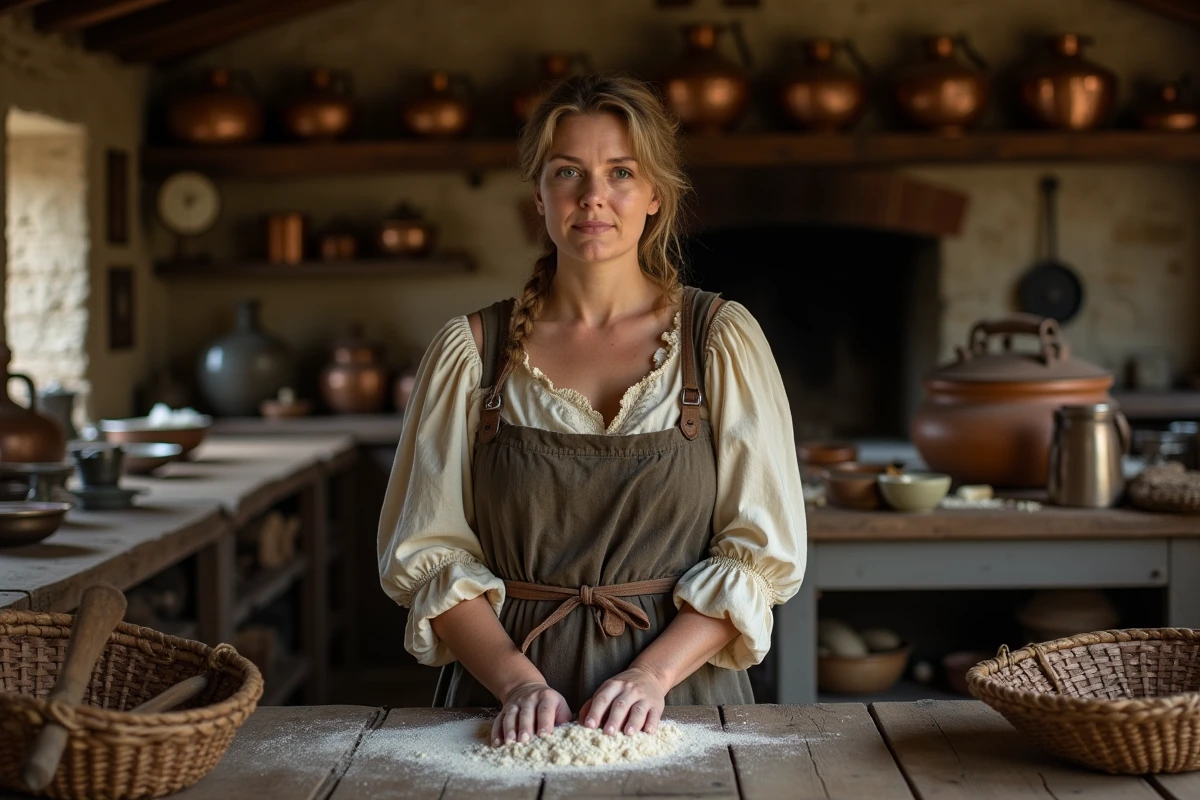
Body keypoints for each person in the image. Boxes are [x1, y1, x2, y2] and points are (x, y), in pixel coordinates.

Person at [378, 73, 806, 748]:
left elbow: (758, 557)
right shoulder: (472, 352)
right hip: (501, 712)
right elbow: (429, 557)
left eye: (621, 173)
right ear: (539, 194)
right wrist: (518, 684)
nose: (593, 196)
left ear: (656, 194)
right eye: (568, 171)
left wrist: (650, 677)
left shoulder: (718, 340)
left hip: (680, 705)